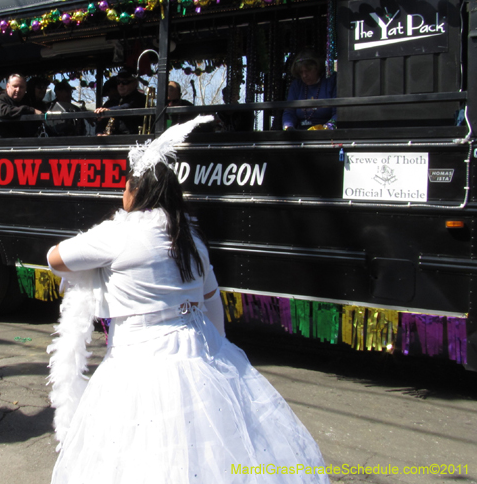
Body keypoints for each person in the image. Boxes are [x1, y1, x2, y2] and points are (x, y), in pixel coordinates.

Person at [46, 115, 329, 483]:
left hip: (139, 358)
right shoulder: (190, 240)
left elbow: (55, 257)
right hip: (199, 350)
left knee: (140, 455)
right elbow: (211, 300)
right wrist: (218, 352)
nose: (121, 194)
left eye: (125, 187)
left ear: (136, 191)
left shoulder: (118, 234)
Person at [282, 49, 337, 131]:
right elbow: (289, 112)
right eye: (301, 72)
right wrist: (288, 127)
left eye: (308, 71)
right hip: (300, 134)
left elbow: (338, 112)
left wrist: (327, 127)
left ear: (317, 68)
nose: (304, 75)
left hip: (325, 134)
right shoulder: (297, 85)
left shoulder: (331, 81)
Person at [94, 68, 146, 135]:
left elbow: (128, 107)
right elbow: (101, 122)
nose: (121, 85)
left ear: (135, 83)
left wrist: (109, 111)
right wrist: (99, 133)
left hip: (133, 141)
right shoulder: (113, 102)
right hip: (113, 142)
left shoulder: (140, 98)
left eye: (125, 82)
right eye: (118, 82)